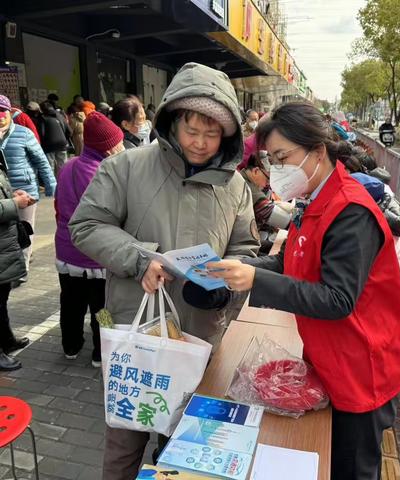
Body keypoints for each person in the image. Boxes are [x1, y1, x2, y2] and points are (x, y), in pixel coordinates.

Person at [69, 62, 259, 480]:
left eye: (213, 134)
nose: (201, 143)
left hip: (200, 334)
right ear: (172, 121)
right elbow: (85, 226)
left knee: (182, 445)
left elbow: (245, 246)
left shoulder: (235, 185)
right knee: (124, 442)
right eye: (193, 130)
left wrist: (228, 286)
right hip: (136, 333)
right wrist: (141, 258)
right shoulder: (126, 167)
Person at [207, 102, 400, 480]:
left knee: (352, 468)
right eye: (272, 161)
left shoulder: (350, 212)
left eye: (283, 158)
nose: (277, 170)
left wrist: (255, 280)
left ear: (317, 152)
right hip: (331, 356)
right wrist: (241, 269)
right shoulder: (314, 202)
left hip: (360, 370)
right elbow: (290, 265)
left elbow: (337, 300)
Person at [55, 112, 125, 368]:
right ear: (107, 148)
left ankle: (71, 346)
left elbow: (57, 207)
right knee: (102, 308)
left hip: (66, 251)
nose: (122, 146)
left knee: (70, 303)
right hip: (96, 256)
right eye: (118, 143)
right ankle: (101, 351)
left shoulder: (67, 166)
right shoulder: (106, 173)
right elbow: (114, 217)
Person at [0, 95, 56, 284]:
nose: (0, 115)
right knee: (7, 233)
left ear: (10, 112)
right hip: (2, 193)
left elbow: (41, 160)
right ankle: (11, 267)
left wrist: (51, 186)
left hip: (25, 188)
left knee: (24, 230)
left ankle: (22, 269)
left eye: (3, 111)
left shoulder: (24, 133)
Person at [0, 156, 32, 371]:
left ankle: (6, 340)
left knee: (1, 300)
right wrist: (14, 204)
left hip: (4, 244)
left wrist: (11, 196)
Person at [240, 153, 292, 253]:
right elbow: (272, 214)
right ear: (256, 171)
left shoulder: (248, 179)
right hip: (240, 244)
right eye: (269, 179)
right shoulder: (248, 189)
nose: (270, 183)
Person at [39, 101, 72, 177]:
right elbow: (69, 131)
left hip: (49, 146)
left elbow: (42, 133)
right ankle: (63, 181)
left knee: (50, 166)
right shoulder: (60, 116)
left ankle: (54, 185)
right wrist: (64, 138)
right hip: (62, 144)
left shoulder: (43, 118)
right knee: (63, 165)